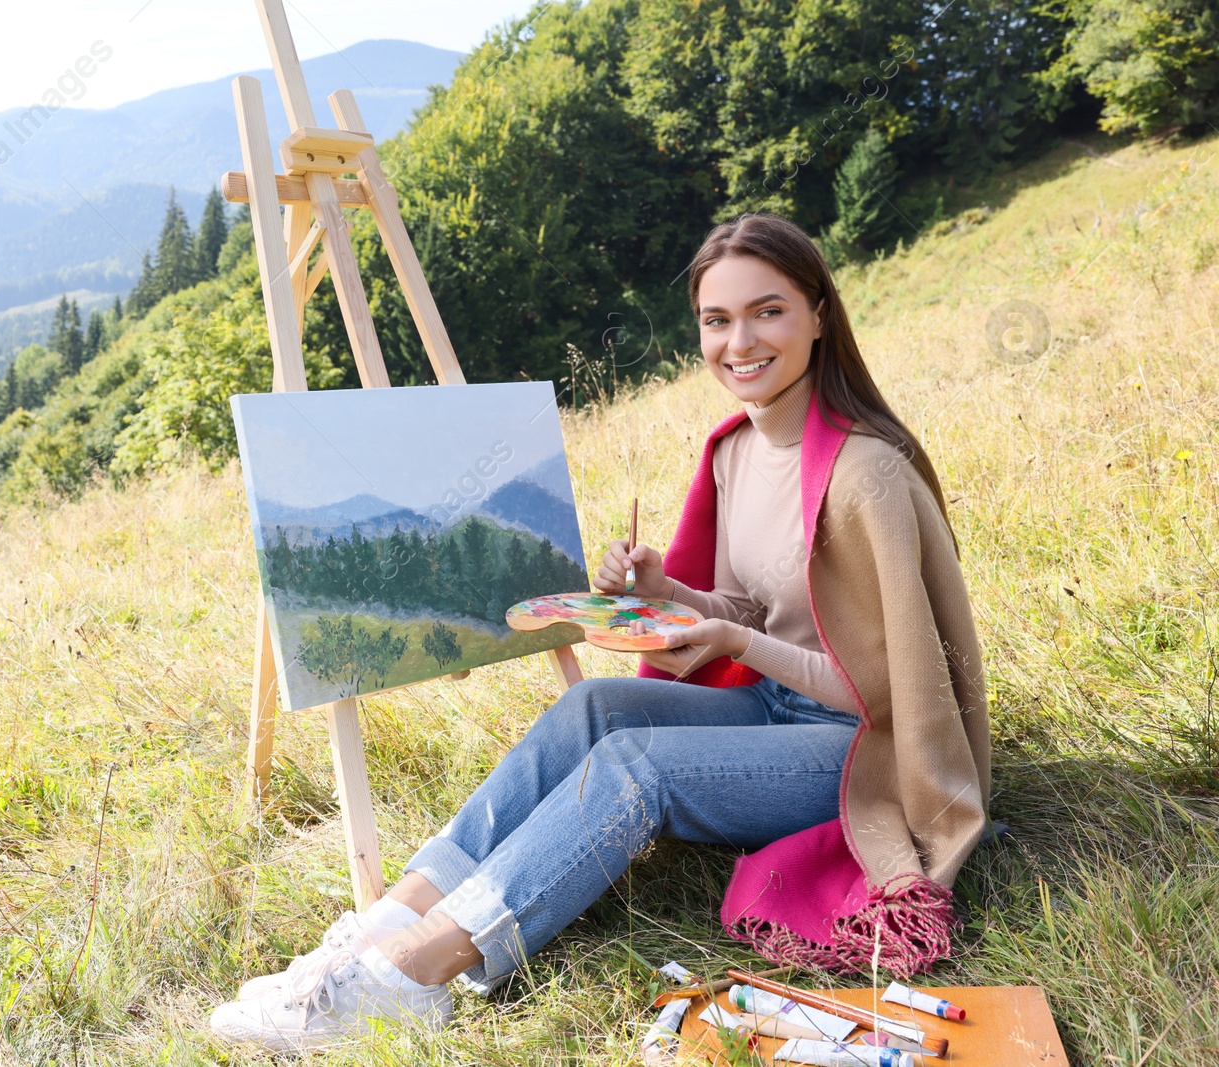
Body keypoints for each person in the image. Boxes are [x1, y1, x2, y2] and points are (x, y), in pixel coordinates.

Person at [208, 212, 991, 1054]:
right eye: (716, 320)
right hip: (776, 708)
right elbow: (760, 611)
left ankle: (415, 974)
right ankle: (384, 925)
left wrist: (734, 648)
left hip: (862, 752)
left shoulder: (867, 472)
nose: (739, 342)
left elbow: (891, 699)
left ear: (819, 314)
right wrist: (671, 591)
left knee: (635, 764)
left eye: (768, 311)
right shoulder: (736, 450)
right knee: (593, 712)